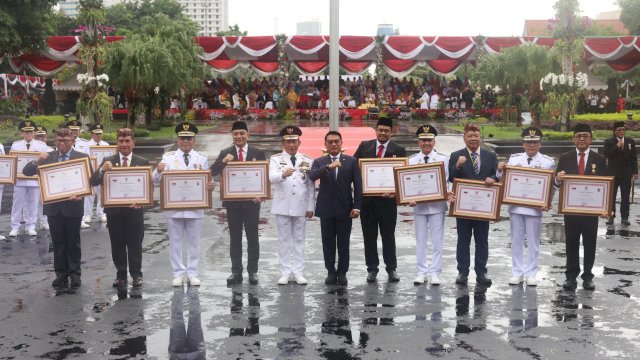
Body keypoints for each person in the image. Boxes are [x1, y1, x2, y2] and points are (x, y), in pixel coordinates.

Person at [24, 128, 90, 287]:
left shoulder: (82, 157)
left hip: (73, 206)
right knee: (58, 243)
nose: (62, 143)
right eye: (59, 140)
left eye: (66, 140)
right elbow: (26, 172)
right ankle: (61, 274)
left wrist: (81, 194)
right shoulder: (47, 157)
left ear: (73, 141)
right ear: (55, 141)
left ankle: (75, 274)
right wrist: (37, 161)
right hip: (54, 208)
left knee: (73, 243)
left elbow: (89, 182)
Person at [153, 122, 214, 287]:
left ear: (194, 140)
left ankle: (193, 272)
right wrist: (158, 170)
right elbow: (155, 180)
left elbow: (208, 180)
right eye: (182, 138)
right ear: (178, 140)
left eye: (189, 138)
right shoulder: (168, 158)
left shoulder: (201, 158)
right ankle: (178, 273)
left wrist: (211, 185)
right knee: (176, 242)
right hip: (174, 209)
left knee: (195, 242)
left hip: (195, 208)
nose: (185, 141)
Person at [496, 127, 555, 286]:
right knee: (516, 240)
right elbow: (503, 180)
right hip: (516, 206)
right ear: (523, 144)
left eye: (535, 142)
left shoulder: (547, 162)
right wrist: (500, 171)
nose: (531, 145)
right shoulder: (514, 160)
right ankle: (517, 272)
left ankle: (531, 273)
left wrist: (548, 202)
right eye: (528, 142)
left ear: (540, 144)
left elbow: (552, 186)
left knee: (534, 241)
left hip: (535, 208)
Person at [91, 128, 149, 288]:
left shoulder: (142, 162)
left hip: (134, 211)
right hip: (114, 212)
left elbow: (148, 188)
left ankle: (137, 274)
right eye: (121, 141)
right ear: (116, 143)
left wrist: (142, 202)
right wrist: (102, 169)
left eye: (127, 141)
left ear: (133, 143)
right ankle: (121, 275)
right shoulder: (108, 160)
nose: (124, 144)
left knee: (135, 244)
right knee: (117, 245)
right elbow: (93, 181)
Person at [210, 121, 266, 286]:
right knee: (234, 239)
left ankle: (253, 271)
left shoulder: (258, 152)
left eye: (242, 133)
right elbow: (212, 171)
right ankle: (236, 271)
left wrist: (261, 195)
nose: (239, 136)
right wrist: (224, 162)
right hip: (233, 204)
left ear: (247, 134)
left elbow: (264, 176)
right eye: (236, 134)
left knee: (253, 238)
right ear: (232, 136)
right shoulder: (225, 152)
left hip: (252, 204)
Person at [554, 123, 608, 291]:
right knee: (571, 242)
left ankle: (588, 276)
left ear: (591, 139)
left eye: (585, 136)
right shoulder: (565, 157)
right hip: (571, 210)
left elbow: (606, 185)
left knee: (590, 243)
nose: (582, 139)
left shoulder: (599, 160)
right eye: (579, 136)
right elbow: (556, 182)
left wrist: (607, 208)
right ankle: (570, 276)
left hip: (591, 212)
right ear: (573, 139)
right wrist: (558, 179)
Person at [354, 117, 407, 283]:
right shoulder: (365, 146)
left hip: (388, 202)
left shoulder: (399, 149)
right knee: (369, 237)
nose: (383, 133)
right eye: (380, 130)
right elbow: (355, 168)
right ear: (376, 130)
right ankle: (372, 269)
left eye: (386, 131)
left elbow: (402, 176)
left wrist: (395, 192)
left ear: (391, 132)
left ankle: (391, 269)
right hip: (368, 202)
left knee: (388, 236)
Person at [309, 131, 362, 286]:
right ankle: (331, 271)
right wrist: (329, 166)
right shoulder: (319, 161)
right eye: (330, 142)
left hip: (345, 209)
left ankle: (342, 272)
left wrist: (357, 207)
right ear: (325, 144)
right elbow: (312, 176)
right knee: (328, 243)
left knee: (344, 243)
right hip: (326, 209)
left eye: (336, 141)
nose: (333, 144)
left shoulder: (351, 161)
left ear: (341, 143)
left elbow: (358, 186)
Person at [448, 123, 498, 286]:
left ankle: (481, 272)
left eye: (476, 136)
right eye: (470, 136)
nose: (473, 139)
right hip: (463, 206)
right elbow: (451, 177)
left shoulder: (490, 155)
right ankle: (462, 272)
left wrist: (494, 179)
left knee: (482, 240)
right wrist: (458, 165)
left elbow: (496, 175)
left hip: (484, 207)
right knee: (463, 240)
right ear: (464, 137)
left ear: (480, 137)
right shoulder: (456, 155)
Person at [269, 126, 315, 285]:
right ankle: (285, 272)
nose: (291, 145)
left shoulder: (308, 160)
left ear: (299, 142)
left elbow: (310, 186)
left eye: (294, 141)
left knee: (299, 240)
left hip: (301, 206)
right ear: (283, 142)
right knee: (283, 240)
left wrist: (311, 207)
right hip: (282, 205)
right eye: (288, 141)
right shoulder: (275, 159)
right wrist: (282, 174)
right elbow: (270, 178)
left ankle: (298, 272)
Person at [408, 125, 449, 286]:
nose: (426, 143)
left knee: (437, 240)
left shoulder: (443, 160)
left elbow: (446, 182)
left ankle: (435, 272)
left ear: (434, 142)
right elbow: (407, 184)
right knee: (421, 240)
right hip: (419, 206)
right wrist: (408, 198)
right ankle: (421, 271)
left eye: (429, 140)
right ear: (419, 142)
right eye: (423, 140)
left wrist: (448, 193)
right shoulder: (411, 161)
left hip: (437, 205)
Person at [9, 120, 49, 237]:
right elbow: (13, 163)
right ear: (22, 133)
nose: (29, 135)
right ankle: (15, 227)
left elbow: (44, 163)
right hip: (19, 179)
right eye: (26, 132)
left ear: (34, 133)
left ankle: (31, 226)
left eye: (31, 132)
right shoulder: (16, 145)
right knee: (17, 204)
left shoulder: (41, 146)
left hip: (35, 180)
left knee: (33, 203)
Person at [604, 121, 637, 226]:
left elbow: (633, 158)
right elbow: (607, 154)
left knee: (625, 197)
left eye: (623, 130)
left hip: (626, 174)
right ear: (614, 131)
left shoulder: (630, 141)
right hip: (613, 174)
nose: (622, 132)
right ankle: (611, 217)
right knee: (611, 197)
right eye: (619, 130)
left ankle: (625, 218)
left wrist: (635, 172)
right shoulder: (609, 141)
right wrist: (617, 146)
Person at [84, 124, 109, 224]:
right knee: (90, 194)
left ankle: (101, 213)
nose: (98, 136)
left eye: (100, 134)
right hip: (91, 172)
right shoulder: (86, 146)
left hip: (102, 172)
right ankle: (88, 214)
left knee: (102, 193)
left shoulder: (106, 145)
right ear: (92, 134)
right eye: (96, 134)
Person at [34, 125, 54, 231]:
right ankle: (31, 223)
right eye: (38, 137)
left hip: (45, 179)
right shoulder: (32, 149)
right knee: (31, 202)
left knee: (44, 200)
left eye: (43, 137)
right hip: (31, 178)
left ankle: (43, 221)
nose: (41, 139)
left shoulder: (51, 150)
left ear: (46, 137)